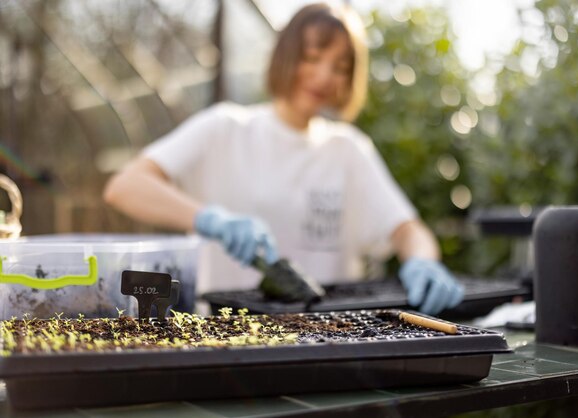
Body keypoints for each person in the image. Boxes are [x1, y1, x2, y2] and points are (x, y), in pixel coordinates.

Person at [103, 2, 463, 315]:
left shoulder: (349, 149)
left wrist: (421, 262)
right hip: (226, 337)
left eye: (340, 66)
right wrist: (211, 220)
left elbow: (408, 230)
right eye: (312, 57)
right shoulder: (225, 128)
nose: (324, 75)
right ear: (285, 55)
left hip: (330, 342)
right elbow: (126, 186)